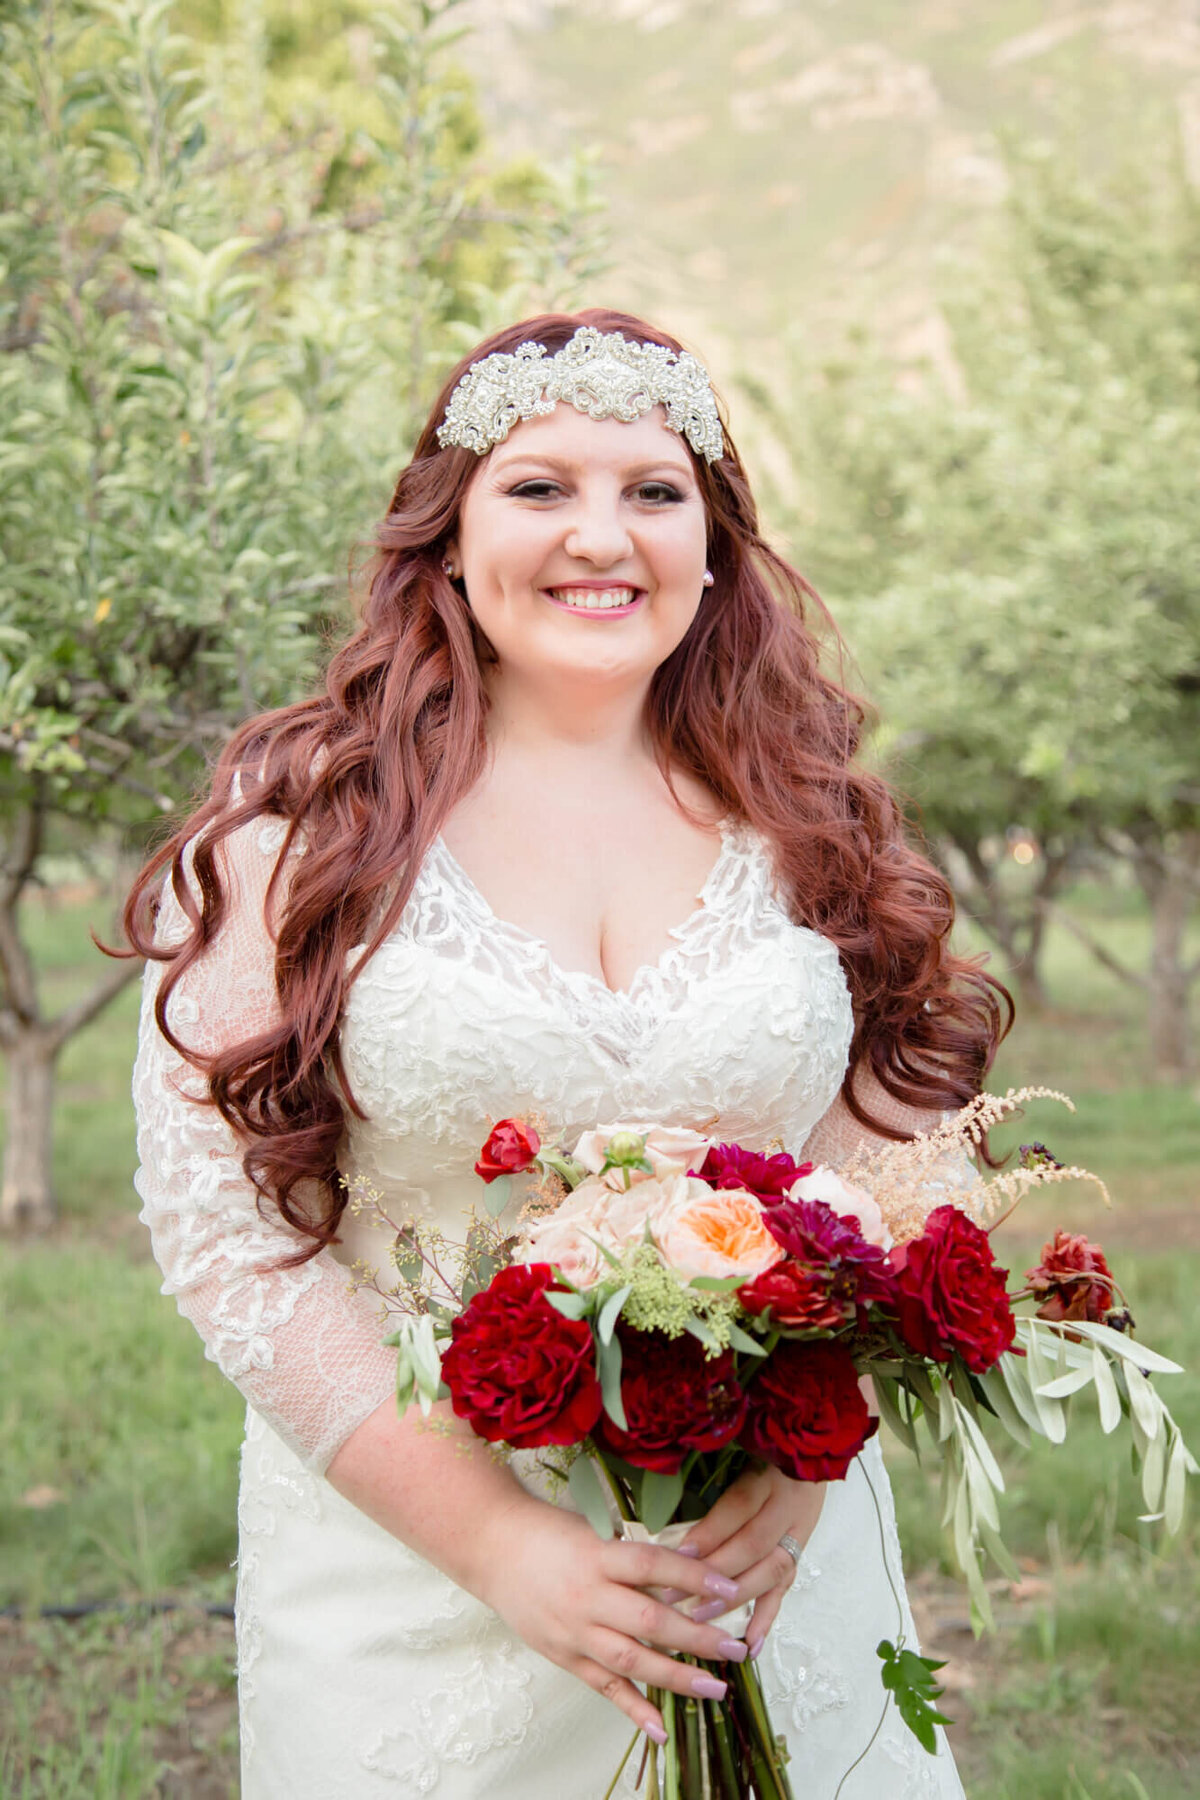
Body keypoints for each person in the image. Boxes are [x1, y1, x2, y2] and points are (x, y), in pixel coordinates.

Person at [126, 309, 1004, 1798]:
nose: (604, 535)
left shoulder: (817, 830)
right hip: (419, 1577)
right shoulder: (298, 845)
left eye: (655, 492)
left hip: (762, 1559)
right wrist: (503, 1547)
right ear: (447, 541)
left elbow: (910, 1170)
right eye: (540, 488)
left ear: (714, 546)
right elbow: (225, 1237)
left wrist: (795, 1484)